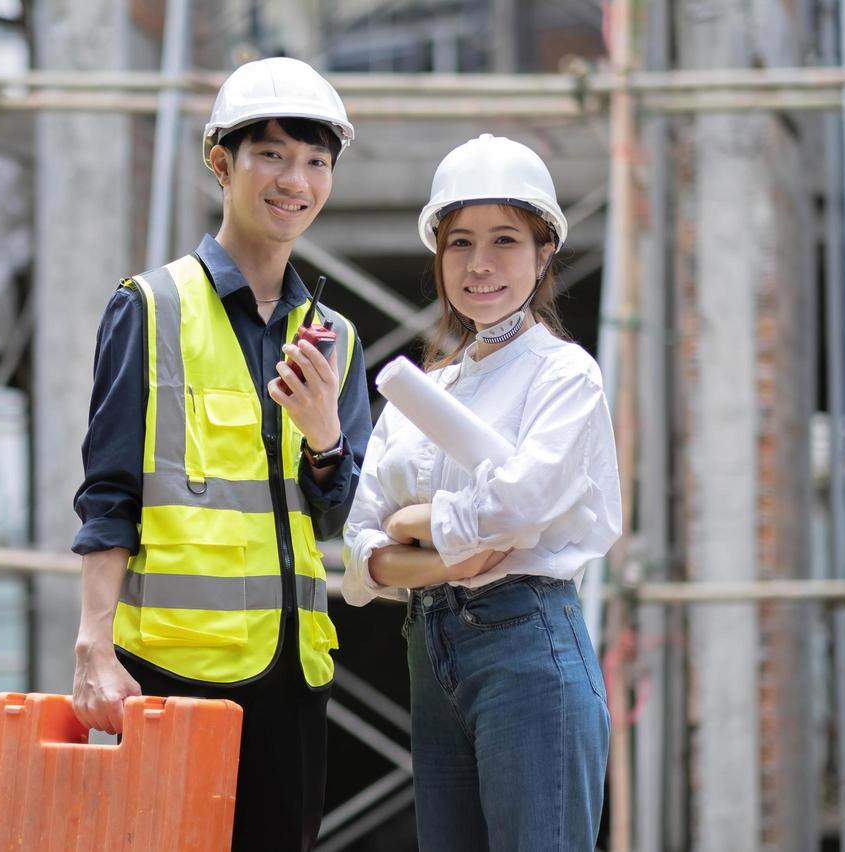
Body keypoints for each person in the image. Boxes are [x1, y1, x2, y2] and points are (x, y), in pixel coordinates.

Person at [70, 56, 374, 852]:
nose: (294, 181)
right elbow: (108, 492)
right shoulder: (152, 307)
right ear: (221, 164)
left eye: (315, 161)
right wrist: (92, 646)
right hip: (170, 670)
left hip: (291, 673)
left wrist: (324, 437)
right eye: (271, 155)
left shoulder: (335, 338)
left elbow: (343, 512)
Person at [341, 133, 621, 851]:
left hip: (526, 646)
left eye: (504, 239)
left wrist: (414, 525)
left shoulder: (564, 376)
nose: (480, 264)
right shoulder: (418, 392)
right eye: (459, 242)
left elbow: (520, 508)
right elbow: (358, 541)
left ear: (542, 252)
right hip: (429, 648)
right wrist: (446, 555)